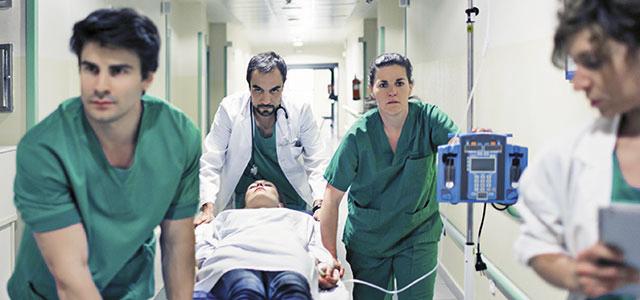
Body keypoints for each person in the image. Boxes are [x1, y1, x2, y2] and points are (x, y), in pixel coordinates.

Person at [7, 8, 200, 299]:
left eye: (118, 71)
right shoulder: (44, 149)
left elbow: (177, 244)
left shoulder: (179, 137)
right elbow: (71, 277)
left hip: (130, 287)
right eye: (91, 69)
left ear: (146, 78)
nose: (100, 86)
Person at [514, 0, 640, 299]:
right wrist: (576, 273)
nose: (578, 83)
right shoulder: (568, 153)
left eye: (592, 61)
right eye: (576, 64)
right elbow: (537, 242)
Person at [318, 53, 459, 299]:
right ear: (372, 91)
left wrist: (473, 142)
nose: (392, 91)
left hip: (418, 233)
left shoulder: (428, 119)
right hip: (369, 239)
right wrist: (330, 254)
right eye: (383, 84)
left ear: (410, 86)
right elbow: (332, 195)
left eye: (399, 83)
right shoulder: (358, 136)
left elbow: (457, 143)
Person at [197, 51, 327, 225]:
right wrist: (208, 207)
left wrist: (320, 204)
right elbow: (211, 161)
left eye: (275, 90)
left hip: (291, 199)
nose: (266, 99)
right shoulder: (230, 109)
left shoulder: (300, 111)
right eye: (258, 89)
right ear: (249, 85)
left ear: (284, 85)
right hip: (244, 204)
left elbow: (317, 161)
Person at [193, 180, 344, 300]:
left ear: (280, 204)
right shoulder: (227, 217)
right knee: (246, 287)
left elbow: (318, 245)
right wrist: (200, 264)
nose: (259, 185)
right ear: (243, 206)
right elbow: (205, 244)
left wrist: (325, 266)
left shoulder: (301, 218)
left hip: (289, 262)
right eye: (252, 186)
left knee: (292, 289)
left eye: (267, 185)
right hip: (234, 261)